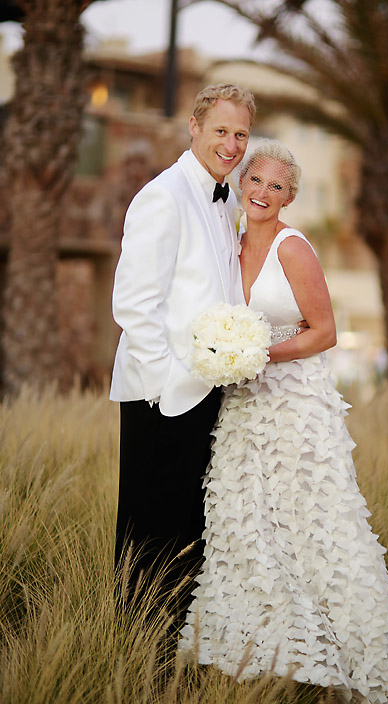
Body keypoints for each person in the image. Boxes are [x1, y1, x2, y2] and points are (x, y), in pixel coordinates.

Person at [179, 140, 388, 703]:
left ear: (290, 196)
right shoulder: (229, 244)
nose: (263, 193)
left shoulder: (294, 248)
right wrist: (226, 356)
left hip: (295, 402)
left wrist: (261, 354)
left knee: (308, 519)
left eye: (276, 186)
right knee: (247, 519)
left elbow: (324, 332)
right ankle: (263, 652)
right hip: (243, 407)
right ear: (241, 186)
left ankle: (346, 649)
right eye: (255, 182)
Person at [109, 83, 256, 626]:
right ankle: (134, 647)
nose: (232, 143)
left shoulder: (225, 201)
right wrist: (165, 385)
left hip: (208, 388)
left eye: (240, 133)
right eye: (221, 130)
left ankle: (175, 643)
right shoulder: (163, 195)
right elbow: (134, 303)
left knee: (187, 530)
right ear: (194, 127)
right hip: (162, 392)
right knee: (148, 531)